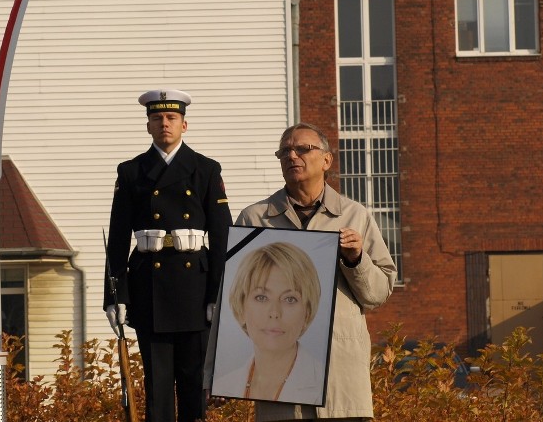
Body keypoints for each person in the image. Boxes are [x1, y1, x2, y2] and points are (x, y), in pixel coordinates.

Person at [235, 122, 396, 421]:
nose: (292, 155)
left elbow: (378, 293)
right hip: (278, 380)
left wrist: (356, 259)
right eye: (285, 151)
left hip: (340, 377)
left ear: (326, 160)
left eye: (303, 149)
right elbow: (237, 296)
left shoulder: (353, 215)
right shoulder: (255, 218)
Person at [104, 89, 232, 422]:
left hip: (194, 287)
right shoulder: (131, 172)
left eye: (171, 118)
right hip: (150, 285)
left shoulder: (205, 169)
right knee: (157, 386)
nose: (164, 124)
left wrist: (218, 292)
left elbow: (222, 236)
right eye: (157, 118)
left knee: (193, 382)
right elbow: (117, 238)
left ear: (184, 125)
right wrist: (114, 296)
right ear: (148, 126)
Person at [215, 241, 325, 405]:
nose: (274, 313)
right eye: (261, 297)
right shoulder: (223, 385)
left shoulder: (325, 382)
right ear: (241, 305)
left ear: (307, 312)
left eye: (289, 299)